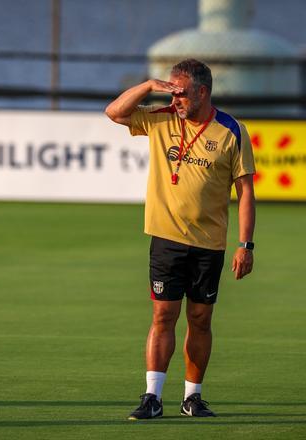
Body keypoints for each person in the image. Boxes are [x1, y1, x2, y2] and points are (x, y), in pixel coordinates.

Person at [104, 59, 256, 420]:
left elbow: (246, 191)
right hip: (166, 239)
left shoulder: (232, 130)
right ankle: (152, 397)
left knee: (201, 319)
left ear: (202, 92)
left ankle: (192, 398)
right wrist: (149, 86)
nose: (177, 99)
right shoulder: (162, 118)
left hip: (209, 243)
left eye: (182, 92)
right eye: (172, 90)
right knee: (162, 316)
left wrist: (245, 244)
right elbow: (114, 112)